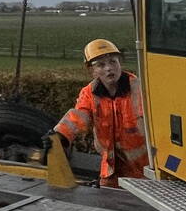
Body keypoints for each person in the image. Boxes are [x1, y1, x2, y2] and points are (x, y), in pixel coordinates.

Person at [43, 39, 148, 188]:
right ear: (91, 70)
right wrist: (59, 136)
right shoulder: (89, 93)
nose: (109, 68)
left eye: (113, 62)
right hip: (111, 171)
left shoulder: (140, 89)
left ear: (120, 63)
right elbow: (78, 116)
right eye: (101, 65)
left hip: (145, 172)